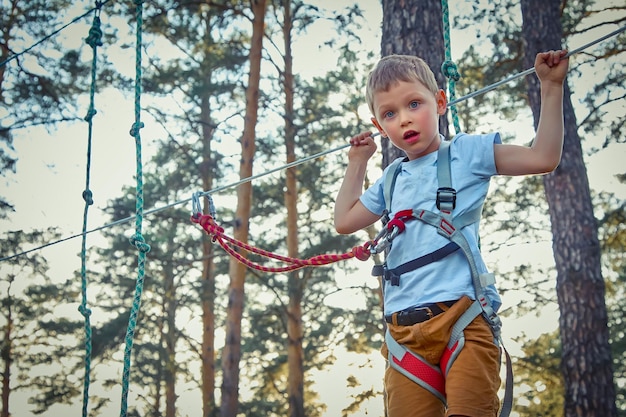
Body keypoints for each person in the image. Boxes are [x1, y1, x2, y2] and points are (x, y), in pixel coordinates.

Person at [334, 50, 569, 417]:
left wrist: (551, 87)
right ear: (380, 127)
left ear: (440, 101)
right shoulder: (392, 179)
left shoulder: (466, 153)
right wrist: (358, 163)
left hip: (463, 317)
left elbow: (543, 158)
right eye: (390, 114)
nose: (405, 119)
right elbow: (345, 220)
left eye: (414, 103)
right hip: (404, 335)